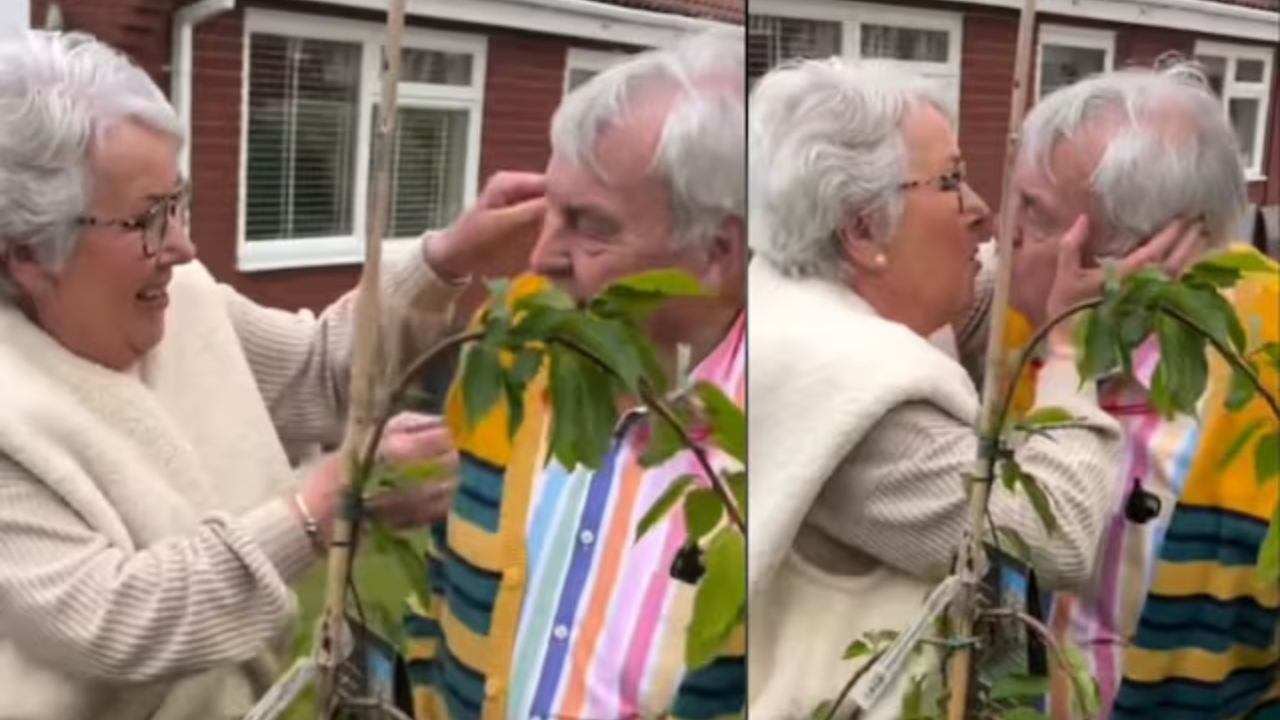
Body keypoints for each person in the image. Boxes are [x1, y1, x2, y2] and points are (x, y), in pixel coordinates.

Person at [0, 30, 543, 720]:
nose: (184, 245)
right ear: (26, 253)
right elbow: (118, 619)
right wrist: (323, 507)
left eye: (179, 201)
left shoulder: (187, 297)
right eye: (148, 218)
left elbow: (323, 371)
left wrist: (445, 259)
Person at [742, 57, 1199, 719]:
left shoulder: (813, 289)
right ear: (864, 228)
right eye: (952, 181)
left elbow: (977, 297)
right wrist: (1070, 348)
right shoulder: (847, 393)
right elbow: (1056, 537)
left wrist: (1047, 258)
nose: (986, 215)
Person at [402, 28, 747, 720]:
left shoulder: (772, 436)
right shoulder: (513, 349)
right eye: (549, 209)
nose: (540, 256)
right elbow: (440, 586)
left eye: (589, 225)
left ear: (715, 251)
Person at [964, 60, 1280, 720]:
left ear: (1145, 250)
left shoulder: (1261, 373)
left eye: (1037, 215)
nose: (1003, 230)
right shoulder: (1026, 331)